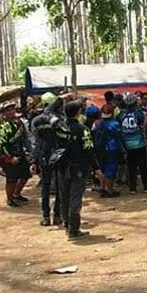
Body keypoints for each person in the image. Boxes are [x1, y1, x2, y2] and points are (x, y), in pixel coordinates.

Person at [57, 100, 102, 240]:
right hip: (78, 168)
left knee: (64, 196)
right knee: (75, 198)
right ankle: (74, 230)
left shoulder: (59, 127)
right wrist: (97, 168)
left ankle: (66, 224)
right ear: (78, 113)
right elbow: (89, 150)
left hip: (62, 167)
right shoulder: (83, 130)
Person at [31, 92, 69, 226]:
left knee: (45, 187)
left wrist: (34, 160)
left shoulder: (36, 121)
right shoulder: (59, 120)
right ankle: (58, 215)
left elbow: (35, 143)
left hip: (43, 156)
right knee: (60, 186)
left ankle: (46, 217)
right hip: (58, 155)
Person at [0, 103, 33, 207]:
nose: (11, 112)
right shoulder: (4, 127)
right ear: (4, 113)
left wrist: (30, 152)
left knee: (25, 175)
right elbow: (1, 145)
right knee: (11, 179)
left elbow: (25, 139)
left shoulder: (19, 123)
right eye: (8, 110)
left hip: (20, 154)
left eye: (12, 109)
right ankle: (10, 199)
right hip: (8, 156)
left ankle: (17, 194)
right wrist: (10, 157)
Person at [119, 93, 147, 194]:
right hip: (139, 143)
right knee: (143, 166)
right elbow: (143, 125)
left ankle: (132, 188)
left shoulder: (121, 114)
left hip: (127, 144)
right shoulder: (139, 113)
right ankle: (146, 186)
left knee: (131, 166)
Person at [94, 104, 124, 197]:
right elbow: (119, 137)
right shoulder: (114, 124)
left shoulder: (98, 123)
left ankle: (102, 188)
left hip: (99, 148)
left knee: (102, 168)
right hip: (112, 148)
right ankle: (110, 190)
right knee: (111, 169)